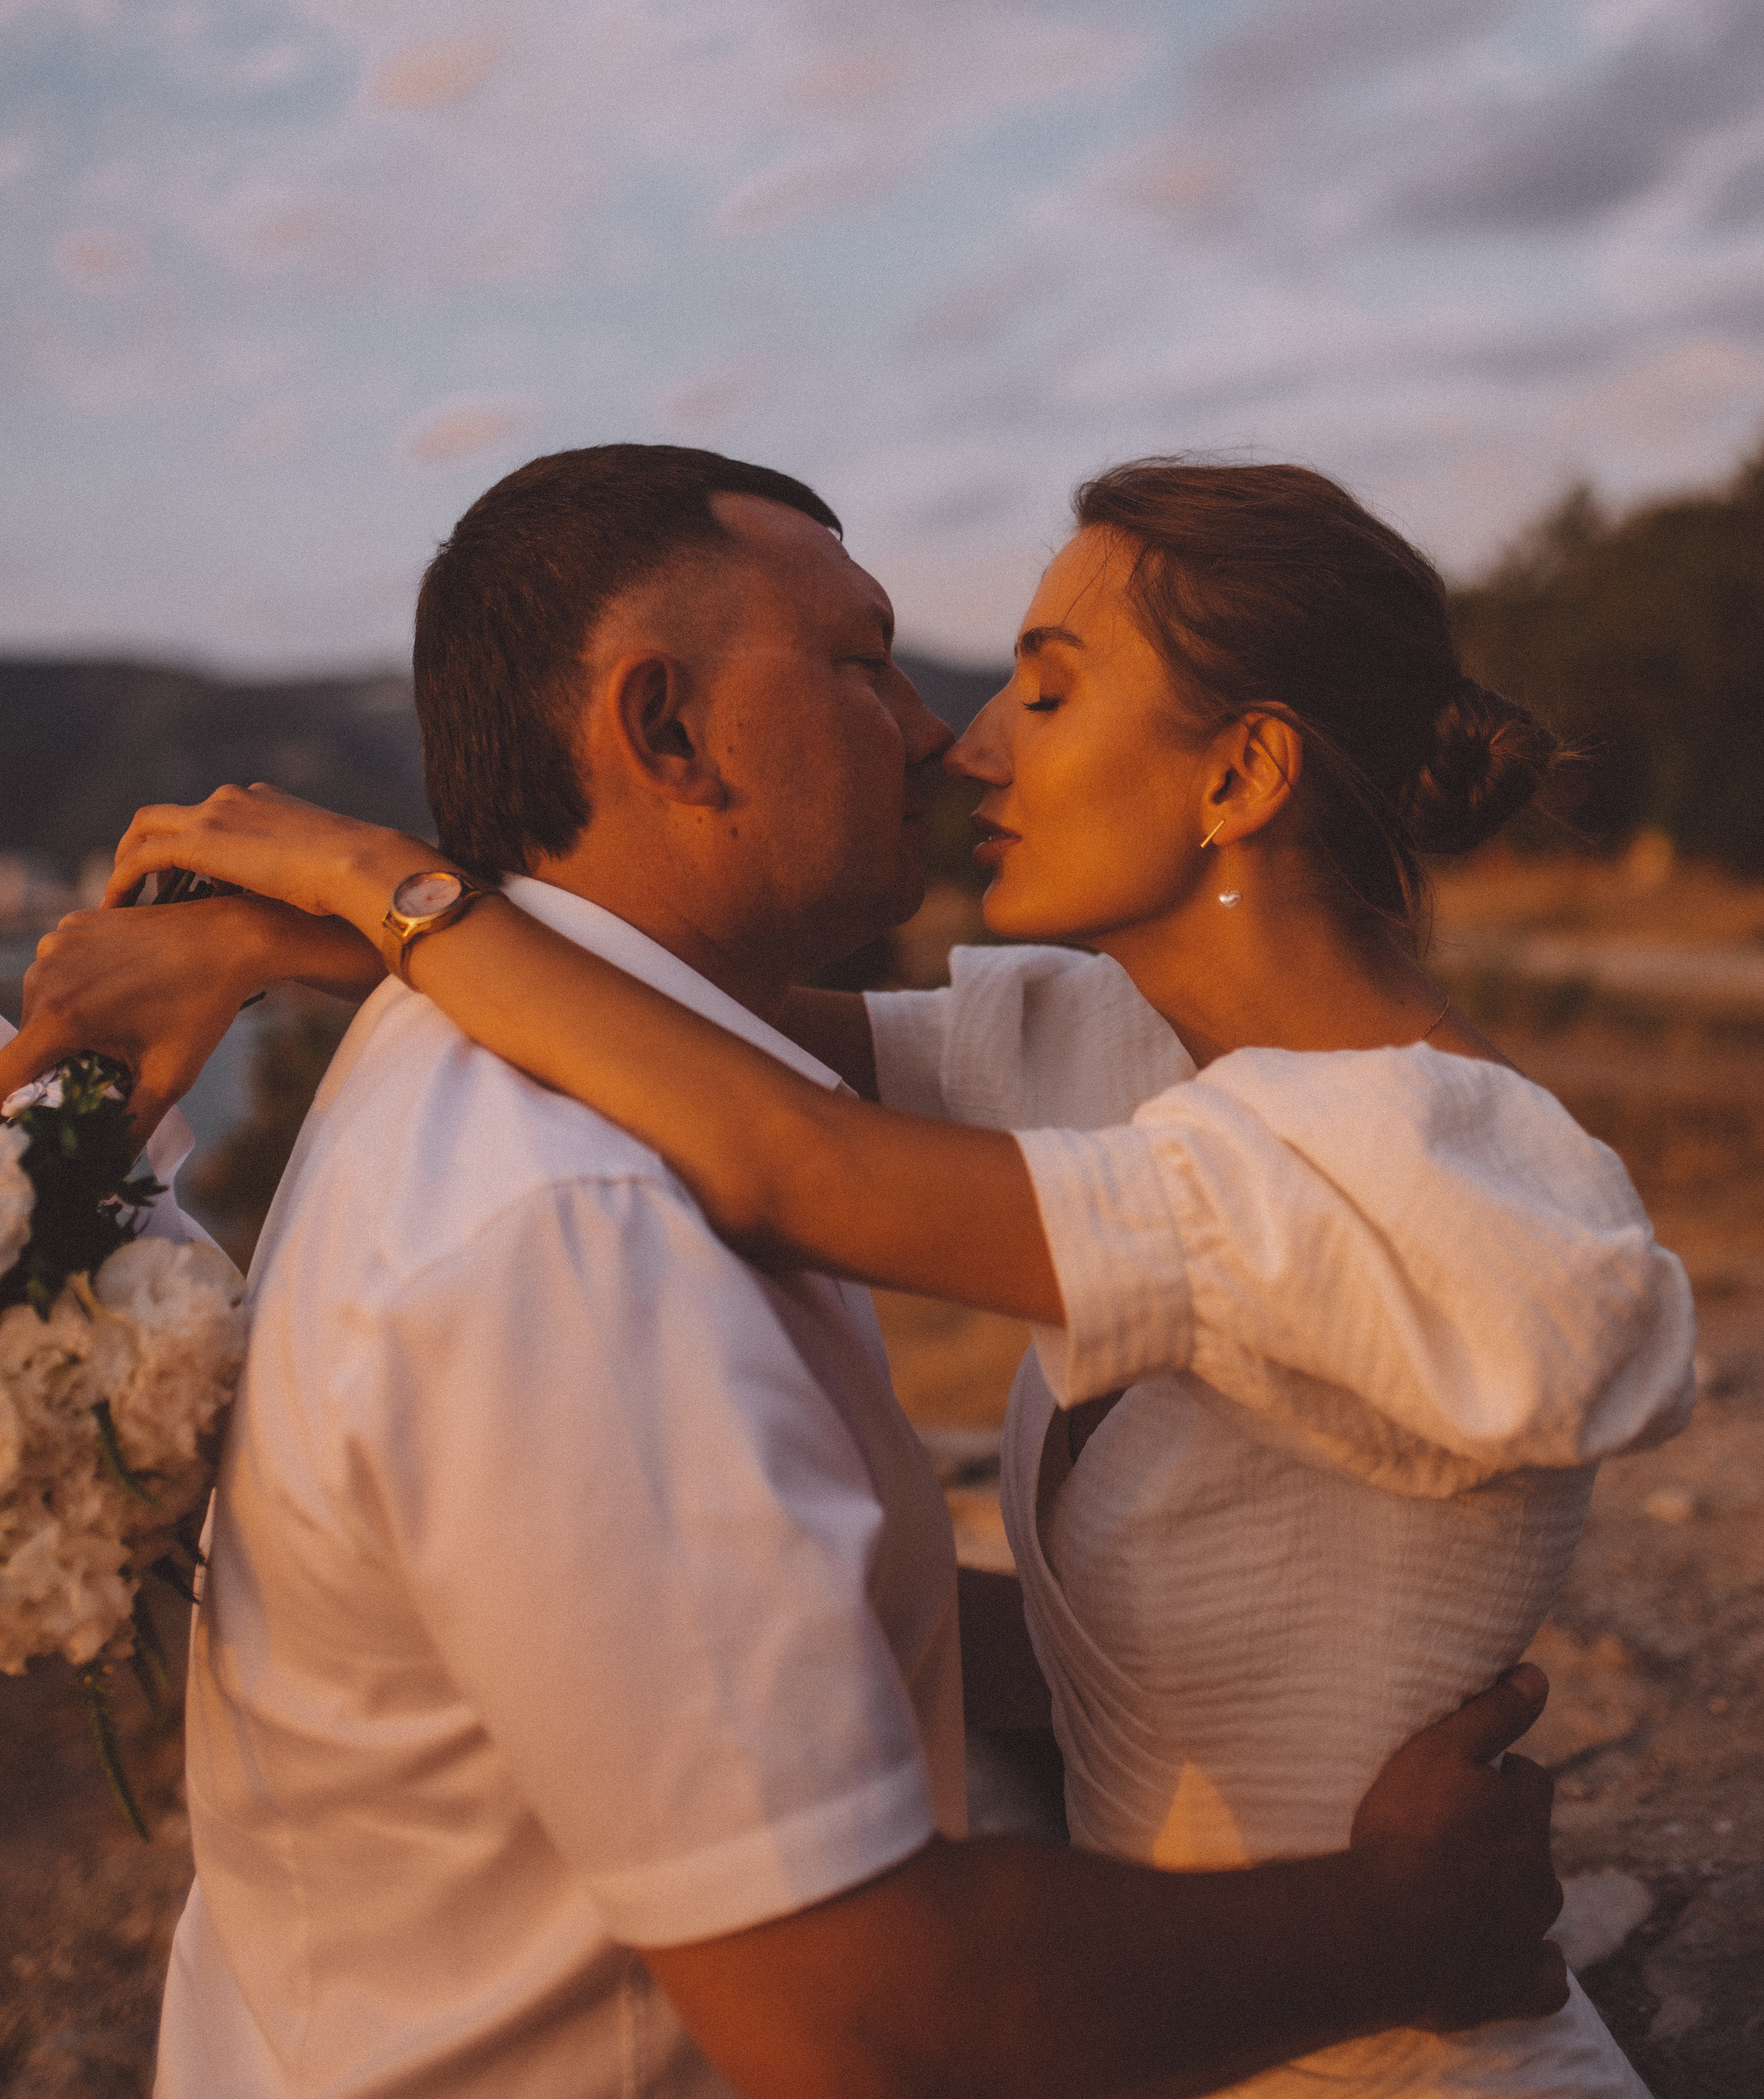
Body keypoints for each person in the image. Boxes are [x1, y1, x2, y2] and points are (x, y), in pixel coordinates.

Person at [6, 449, 1586, 2099]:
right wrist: (1403, 1919)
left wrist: (339, 916)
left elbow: (763, 1119)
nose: (933, 730)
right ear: (667, 729)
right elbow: (864, 2020)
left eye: (1034, 693)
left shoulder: (607, 1078)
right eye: (858, 660)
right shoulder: (579, 1231)